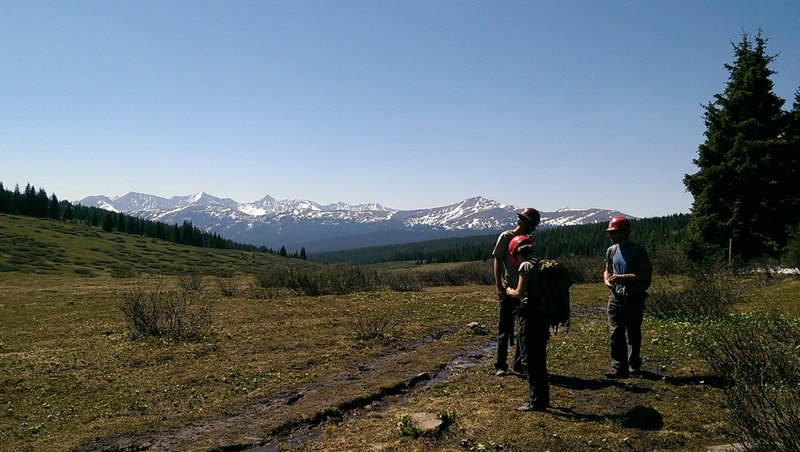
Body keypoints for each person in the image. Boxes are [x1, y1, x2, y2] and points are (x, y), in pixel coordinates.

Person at [491, 207, 540, 376]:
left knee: (523, 329)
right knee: (505, 328)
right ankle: (501, 365)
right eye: (532, 225)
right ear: (526, 222)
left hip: (524, 291)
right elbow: (497, 261)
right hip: (507, 289)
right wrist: (499, 286)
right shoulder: (506, 236)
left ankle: (519, 364)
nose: (533, 228)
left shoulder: (529, 239)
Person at [602, 216, 652, 379]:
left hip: (633, 297)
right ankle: (619, 368)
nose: (611, 235)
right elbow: (607, 270)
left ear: (624, 232)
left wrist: (623, 277)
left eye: (614, 232)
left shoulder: (637, 250)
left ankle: (634, 366)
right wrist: (607, 280)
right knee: (615, 332)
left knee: (633, 332)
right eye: (610, 232)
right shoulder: (611, 250)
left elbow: (645, 274)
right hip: (615, 296)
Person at [505, 235, 550, 411]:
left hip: (530, 317)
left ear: (516, 252)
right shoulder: (540, 263)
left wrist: (509, 291)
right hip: (543, 316)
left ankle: (536, 400)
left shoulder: (525, 266)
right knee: (540, 358)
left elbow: (519, 292)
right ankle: (543, 397)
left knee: (529, 359)